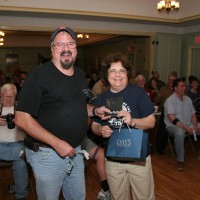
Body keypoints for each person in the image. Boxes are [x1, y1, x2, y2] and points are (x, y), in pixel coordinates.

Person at [14, 26, 110, 200]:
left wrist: (95, 110)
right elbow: (21, 118)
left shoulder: (80, 75)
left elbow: (78, 106)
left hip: (76, 150)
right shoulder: (38, 75)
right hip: (47, 155)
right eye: (60, 44)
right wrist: (57, 143)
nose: (66, 48)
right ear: (52, 49)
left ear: (76, 49)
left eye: (70, 44)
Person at [91, 53, 155, 200]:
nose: (117, 75)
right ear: (106, 75)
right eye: (113, 71)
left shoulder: (138, 93)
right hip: (113, 160)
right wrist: (100, 130)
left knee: (144, 197)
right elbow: (94, 125)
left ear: (128, 73)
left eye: (121, 70)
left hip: (138, 159)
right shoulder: (101, 98)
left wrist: (133, 121)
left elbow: (151, 122)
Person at [0, 83, 28, 200]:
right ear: (1, 96)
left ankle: (21, 195)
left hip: (17, 143)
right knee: (21, 155)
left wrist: (22, 122)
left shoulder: (21, 108)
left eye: (12, 96)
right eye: (7, 96)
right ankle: (21, 154)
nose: (9, 99)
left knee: (21, 164)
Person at [164, 78, 199, 171]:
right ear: (175, 88)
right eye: (182, 86)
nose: (184, 88)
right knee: (180, 133)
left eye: (184, 86)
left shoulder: (188, 99)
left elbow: (193, 115)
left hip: (188, 125)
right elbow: (173, 119)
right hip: (174, 127)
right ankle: (180, 161)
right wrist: (187, 128)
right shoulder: (170, 100)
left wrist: (195, 126)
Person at [155, 72, 177, 154]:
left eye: (173, 80)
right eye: (169, 79)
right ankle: (160, 147)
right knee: (162, 124)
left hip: (177, 113)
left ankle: (176, 145)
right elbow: (156, 100)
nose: (170, 81)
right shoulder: (163, 89)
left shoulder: (179, 89)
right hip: (165, 112)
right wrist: (158, 95)